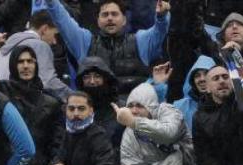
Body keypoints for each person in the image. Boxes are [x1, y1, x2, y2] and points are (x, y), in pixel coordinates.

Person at [35, 0, 169, 97]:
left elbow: (160, 30)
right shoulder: (85, 41)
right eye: (105, 15)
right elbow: (62, 19)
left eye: (114, 14)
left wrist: (162, 16)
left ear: (124, 20)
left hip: (134, 115)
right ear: (98, 21)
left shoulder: (141, 40)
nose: (110, 18)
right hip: (97, 117)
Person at [0, 44, 63, 165]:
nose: (26, 66)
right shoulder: (2, 91)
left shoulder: (51, 102)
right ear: (13, 65)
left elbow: (57, 141)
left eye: (30, 61)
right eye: (20, 62)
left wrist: (56, 161)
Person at [118, 82, 194, 165]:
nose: (133, 111)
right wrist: (175, 161)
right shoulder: (129, 134)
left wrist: (135, 123)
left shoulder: (168, 111)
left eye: (139, 106)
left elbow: (169, 134)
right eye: (130, 106)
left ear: (151, 107)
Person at [191, 65, 243, 165]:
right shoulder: (199, 117)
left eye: (225, 77)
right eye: (216, 78)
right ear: (208, 88)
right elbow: (203, 156)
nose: (222, 81)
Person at [50, 90, 116, 165]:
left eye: (81, 109)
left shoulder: (98, 135)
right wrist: (56, 163)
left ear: (91, 111)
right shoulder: (68, 132)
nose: (75, 113)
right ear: (65, 110)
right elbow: (59, 155)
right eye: (71, 109)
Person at [0, 10, 69, 99]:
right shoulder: (40, 45)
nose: (54, 41)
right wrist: (74, 96)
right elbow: (49, 82)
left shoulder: (8, 44)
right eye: (55, 35)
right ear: (44, 29)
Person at [75, 55, 122, 148]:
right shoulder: (74, 110)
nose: (92, 81)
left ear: (105, 79)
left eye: (97, 76)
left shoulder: (120, 108)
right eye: (86, 77)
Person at [172, 55, 214, 133]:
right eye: (197, 76)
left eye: (206, 74)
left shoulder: (227, 105)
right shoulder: (180, 106)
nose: (202, 79)